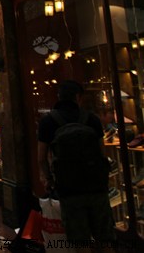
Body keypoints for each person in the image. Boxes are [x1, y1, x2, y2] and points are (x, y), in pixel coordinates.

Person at [37, 80, 115, 248]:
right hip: (96, 187)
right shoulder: (91, 119)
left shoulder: (48, 121)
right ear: (78, 97)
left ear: (59, 97)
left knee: (80, 242)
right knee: (105, 239)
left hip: (69, 188)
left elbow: (41, 157)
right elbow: (102, 153)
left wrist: (49, 180)